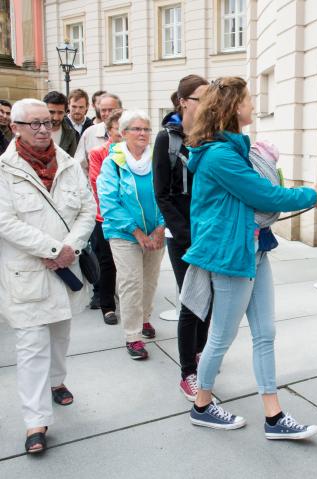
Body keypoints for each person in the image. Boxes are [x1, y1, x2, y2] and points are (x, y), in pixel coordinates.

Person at [184, 76, 317, 439]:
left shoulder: (234, 149)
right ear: (232, 107)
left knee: (265, 334)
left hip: (254, 248)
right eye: (247, 98)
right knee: (221, 338)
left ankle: (274, 417)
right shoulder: (219, 155)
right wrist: (313, 195)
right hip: (232, 255)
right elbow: (267, 196)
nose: (252, 104)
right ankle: (201, 405)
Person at [0, 98, 95, 454]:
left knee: (60, 335)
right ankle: (35, 422)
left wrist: (70, 247)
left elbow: (88, 209)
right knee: (31, 348)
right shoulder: (4, 169)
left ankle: (57, 383)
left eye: (47, 123)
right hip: (27, 273)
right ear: (16, 127)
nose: (43, 130)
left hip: (65, 271)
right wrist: (53, 250)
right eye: (34, 124)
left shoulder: (69, 164)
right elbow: (5, 222)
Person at [152, 74, 210, 401]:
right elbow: (162, 194)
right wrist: (188, 235)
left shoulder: (209, 136)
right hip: (184, 235)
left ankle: (200, 353)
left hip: (209, 232)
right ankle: (187, 371)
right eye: (201, 98)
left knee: (210, 299)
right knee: (191, 300)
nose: (208, 104)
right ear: (183, 101)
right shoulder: (167, 139)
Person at [97, 110, 164, 360]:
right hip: (124, 232)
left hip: (155, 231)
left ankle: (144, 318)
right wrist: (136, 232)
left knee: (150, 280)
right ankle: (133, 336)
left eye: (146, 129)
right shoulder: (113, 161)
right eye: (136, 129)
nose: (142, 133)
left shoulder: (158, 159)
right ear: (123, 133)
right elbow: (109, 202)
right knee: (131, 282)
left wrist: (160, 228)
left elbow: (168, 195)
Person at [87, 110, 123, 326]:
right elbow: (97, 184)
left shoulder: (140, 154)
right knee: (107, 263)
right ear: (109, 131)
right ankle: (107, 306)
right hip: (106, 217)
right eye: (120, 128)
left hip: (134, 219)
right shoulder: (98, 153)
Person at [75, 93, 122, 174]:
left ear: (120, 110)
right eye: (103, 110)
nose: (107, 114)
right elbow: (80, 166)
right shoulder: (89, 133)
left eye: (111, 110)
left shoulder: (129, 132)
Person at [43, 91, 78, 157]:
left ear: (65, 112)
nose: (56, 118)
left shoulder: (70, 133)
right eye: (51, 112)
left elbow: (72, 160)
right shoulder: (33, 130)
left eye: (60, 113)